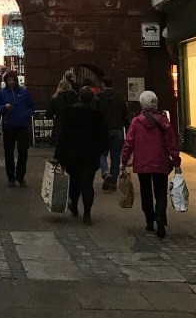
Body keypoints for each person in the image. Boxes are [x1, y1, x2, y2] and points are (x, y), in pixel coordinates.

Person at [121, 90, 181, 239]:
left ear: (142, 104)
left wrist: (124, 160)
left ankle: (149, 219)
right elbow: (171, 142)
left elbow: (129, 142)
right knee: (161, 192)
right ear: (156, 104)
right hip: (160, 162)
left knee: (146, 192)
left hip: (142, 162)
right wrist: (176, 161)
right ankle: (160, 215)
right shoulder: (164, 121)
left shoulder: (136, 121)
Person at [55, 86, 109, 226]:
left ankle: (74, 204)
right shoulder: (97, 115)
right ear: (92, 98)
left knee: (74, 181)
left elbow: (63, 134)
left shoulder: (69, 112)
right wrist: (101, 150)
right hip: (90, 154)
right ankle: (87, 214)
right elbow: (103, 136)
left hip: (72, 153)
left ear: (79, 96)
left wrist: (59, 155)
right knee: (87, 184)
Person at [0, 71, 35, 187]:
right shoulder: (1, 94)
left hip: (22, 126)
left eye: (13, 80)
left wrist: (26, 114)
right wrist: (4, 107)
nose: (11, 82)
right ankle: (11, 177)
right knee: (9, 153)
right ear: (6, 81)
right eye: (9, 80)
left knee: (23, 152)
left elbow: (31, 106)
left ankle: (20, 176)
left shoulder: (24, 92)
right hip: (9, 126)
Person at [96, 75, 130, 191]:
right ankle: (113, 182)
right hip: (118, 129)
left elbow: (95, 114)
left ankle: (106, 172)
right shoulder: (120, 97)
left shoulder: (98, 98)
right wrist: (128, 128)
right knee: (116, 157)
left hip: (103, 130)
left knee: (101, 153)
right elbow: (125, 115)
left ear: (103, 84)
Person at [46, 77, 78, 148]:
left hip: (59, 126)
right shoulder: (75, 97)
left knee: (60, 148)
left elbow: (48, 114)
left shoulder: (55, 98)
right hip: (73, 125)